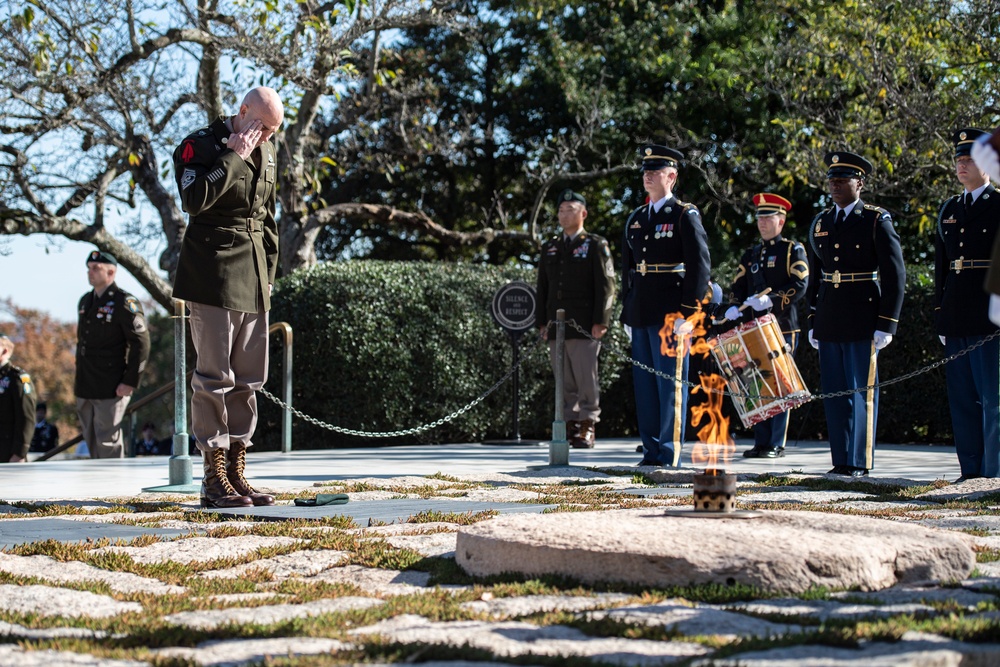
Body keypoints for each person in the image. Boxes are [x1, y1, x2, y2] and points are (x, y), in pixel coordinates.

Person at [172, 86, 284, 508]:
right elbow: (193, 200)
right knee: (214, 379)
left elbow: (266, 218)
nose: (269, 137)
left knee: (249, 381)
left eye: (275, 130)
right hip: (212, 275)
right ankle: (212, 477)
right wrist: (233, 156)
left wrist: (269, 274)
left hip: (254, 277)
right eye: (264, 127)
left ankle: (237, 472)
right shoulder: (198, 145)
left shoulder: (269, 151)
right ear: (243, 112)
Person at [805, 151, 905, 477]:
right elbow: (815, 275)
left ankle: (859, 461)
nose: (834, 185)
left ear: (859, 183)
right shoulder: (821, 222)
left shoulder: (876, 219)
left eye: (842, 180)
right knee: (835, 393)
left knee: (861, 393)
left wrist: (887, 322)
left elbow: (894, 274)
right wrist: (812, 319)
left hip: (864, 313)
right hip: (831, 316)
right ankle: (841, 459)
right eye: (832, 180)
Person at [620, 144, 711, 467]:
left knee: (669, 384)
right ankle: (651, 449)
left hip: (672, 312)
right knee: (645, 387)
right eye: (645, 170)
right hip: (641, 310)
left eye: (655, 171)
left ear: (671, 176)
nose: (647, 175)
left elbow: (699, 268)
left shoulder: (685, 214)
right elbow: (627, 271)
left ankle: (669, 452)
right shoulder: (636, 218)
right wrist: (626, 311)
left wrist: (688, 313)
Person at [935, 129, 1000, 483]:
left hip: (990, 312)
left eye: (969, 159)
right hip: (957, 312)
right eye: (958, 160)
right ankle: (971, 470)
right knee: (962, 399)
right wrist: (940, 315)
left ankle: (994, 473)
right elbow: (941, 268)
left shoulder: (998, 204)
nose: (961, 166)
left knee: (993, 398)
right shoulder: (950, 208)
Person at [724, 193, 809, 458]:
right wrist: (733, 305)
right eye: (759, 217)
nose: (762, 222)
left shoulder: (792, 250)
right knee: (755, 383)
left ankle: (776, 442)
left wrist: (771, 300)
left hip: (781, 326)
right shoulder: (750, 255)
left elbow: (800, 284)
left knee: (780, 383)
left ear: (781, 221)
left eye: (768, 217)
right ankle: (760, 440)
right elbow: (738, 287)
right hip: (752, 328)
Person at [535, 189, 616, 448]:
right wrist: (541, 322)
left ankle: (588, 424)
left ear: (583, 213)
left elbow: (606, 286)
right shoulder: (550, 246)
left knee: (585, 378)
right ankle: (569, 425)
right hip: (555, 325)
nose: (564, 214)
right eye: (560, 210)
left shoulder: (595, 244)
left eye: (570, 209)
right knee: (564, 380)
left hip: (584, 324)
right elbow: (542, 288)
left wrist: (601, 321)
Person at [75, 251, 151, 459]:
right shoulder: (85, 301)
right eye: (89, 268)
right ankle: (96, 490)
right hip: (86, 383)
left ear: (111, 272)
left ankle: (113, 489)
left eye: (95, 268)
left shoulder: (124, 302)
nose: (90, 272)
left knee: (108, 443)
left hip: (111, 384)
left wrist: (130, 381)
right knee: (91, 440)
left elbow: (141, 343)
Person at [0, 334, 36, 464]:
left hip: (7, 452)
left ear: (5, 351)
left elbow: (26, 417)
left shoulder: (17, 378)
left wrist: (19, 452)